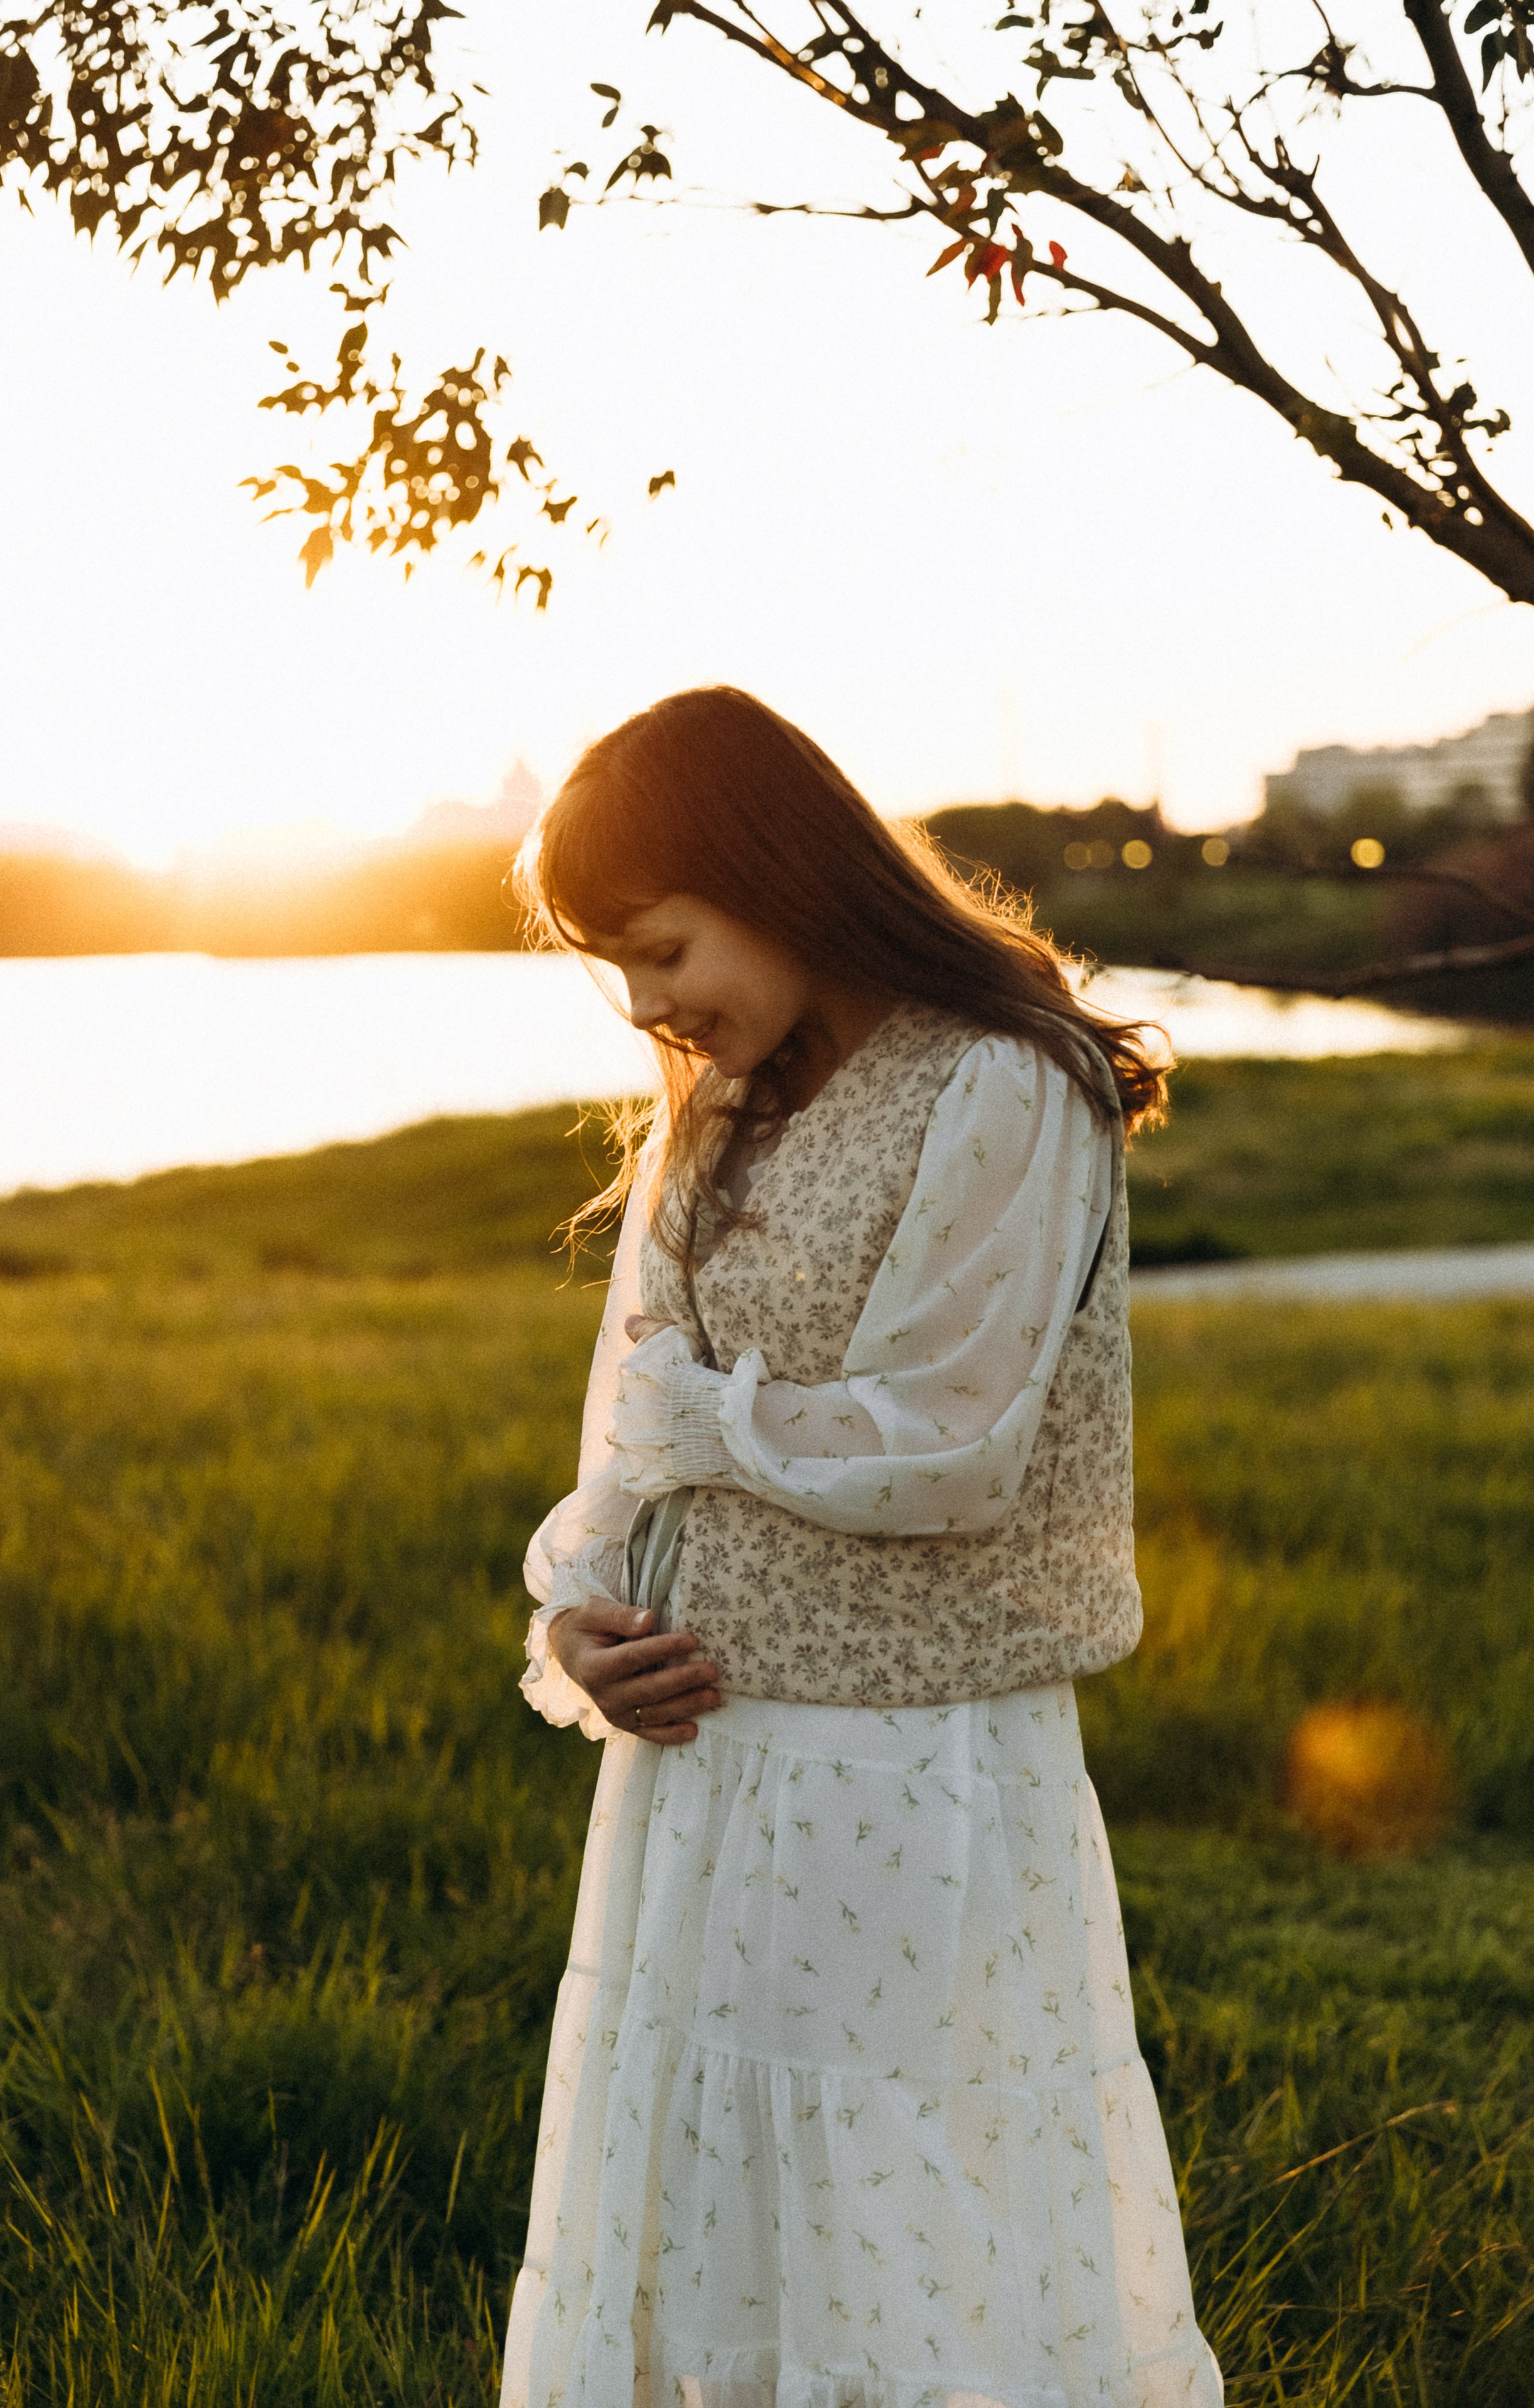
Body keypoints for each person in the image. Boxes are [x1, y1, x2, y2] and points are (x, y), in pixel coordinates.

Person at [500, 687, 1224, 2408]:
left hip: (901, 1770)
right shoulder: (715, 1109)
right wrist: (579, 1618)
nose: (646, 1005)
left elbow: (951, 1443)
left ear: (774, 875)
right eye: (615, 970)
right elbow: (631, 1433)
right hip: (694, 1773)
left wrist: (710, 1431)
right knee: (710, 2214)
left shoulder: (1003, 1079)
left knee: (902, 2214)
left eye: (663, 948)